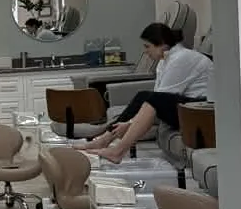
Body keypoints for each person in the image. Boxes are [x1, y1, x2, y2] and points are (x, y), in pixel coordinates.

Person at [85, 23, 213, 164]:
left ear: (162, 45)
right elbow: (158, 96)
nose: (145, 52)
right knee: (144, 95)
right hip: (190, 108)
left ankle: (118, 151)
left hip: (202, 113)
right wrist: (128, 123)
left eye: (147, 46)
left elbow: (161, 99)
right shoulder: (164, 61)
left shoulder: (182, 59)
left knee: (154, 99)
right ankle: (105, 139)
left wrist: (129, 123)